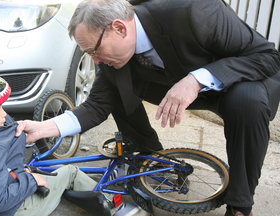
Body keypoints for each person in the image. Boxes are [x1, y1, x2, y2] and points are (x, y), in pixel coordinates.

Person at [17, 0, 280, 216]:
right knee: (116, 88)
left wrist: (196, 80)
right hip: (173, 84)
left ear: (119, 28)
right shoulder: (112, 58)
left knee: (247, 102)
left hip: (237, 81)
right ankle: (149, 157)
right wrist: (42, 128)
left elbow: (267, 56)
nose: (95, 60)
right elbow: (96, 106)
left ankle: (240, 206)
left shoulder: (194, 11)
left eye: (95, 51)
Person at [0, 69, 126, 216]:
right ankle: (114, 204)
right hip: (18, 210)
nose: (4, 115)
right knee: (69, 172)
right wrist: (31, 180)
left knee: (45, 173)